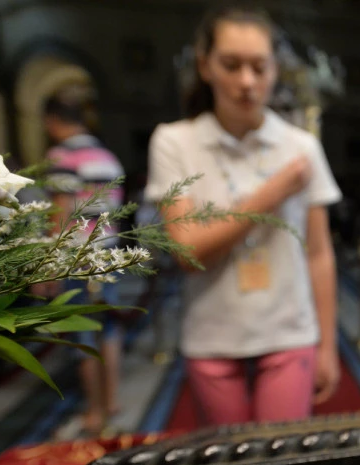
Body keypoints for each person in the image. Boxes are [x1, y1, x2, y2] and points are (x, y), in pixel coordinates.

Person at [145, 6, 341, 425]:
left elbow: (319, 254)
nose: (247, 81)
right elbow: (187, 251)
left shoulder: (301, 148)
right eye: (231, 65)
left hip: (289, 330)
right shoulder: (174, 142)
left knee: (283, 457)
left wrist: (327, 345)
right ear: (205, 66)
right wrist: (273, 192)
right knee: (227, 459)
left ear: (275, 70)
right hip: (212, 332)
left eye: (259, 67)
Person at [43, 93, 125, 435]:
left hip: (78, 255)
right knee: (109, 326)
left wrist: (51, 264)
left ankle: (93, 409)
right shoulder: (106, 156)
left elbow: (60, 214)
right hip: (109, 251)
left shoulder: (62, 156)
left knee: (82, 329)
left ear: (52, 121)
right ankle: (112, 400)